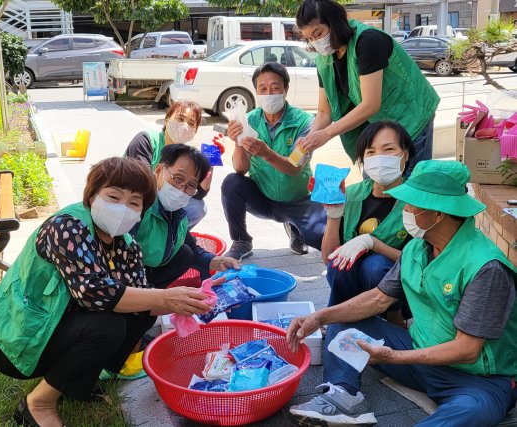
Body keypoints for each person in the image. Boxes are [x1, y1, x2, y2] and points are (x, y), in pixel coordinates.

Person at [0, 157, 218, 427]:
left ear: (141, 211)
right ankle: (38, 404)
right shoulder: (67, 227)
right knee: (107, 326)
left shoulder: (126, 245)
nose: (122, 209)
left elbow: (141, 297)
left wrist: (198, 297)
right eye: (114, 197)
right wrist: (166, 297)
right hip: (17, 338)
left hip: (56, 327)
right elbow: (94, 293)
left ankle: (77, 378)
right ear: (92, 196)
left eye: (133, 203)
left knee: (139, 313)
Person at [287, 160, 517, 427]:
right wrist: (320, 316)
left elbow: (467, 350)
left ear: (438, 214)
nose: (405, 210)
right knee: (342, 317)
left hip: (477, 380)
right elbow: (378, 298)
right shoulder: (417, 249)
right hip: (419, 354)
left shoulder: (486, 266)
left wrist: (394, 357)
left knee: (473, 410)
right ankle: (343, 396)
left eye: (411, 204)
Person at [295, 0, 439, 176]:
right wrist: (309, 140)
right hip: (380, 126)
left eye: (318, 34)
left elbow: (371, 104)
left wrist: (326, 134)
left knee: (411, 186)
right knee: (375, 185)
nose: (316, 42)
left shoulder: (368, 41)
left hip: (411, 116)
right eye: (309, 38)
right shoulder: (324, 59)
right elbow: (324, 112)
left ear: (334, 23)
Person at [221, 62, 327, 260]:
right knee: (231, 182)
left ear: (286, 90)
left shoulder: (304, 122)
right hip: (263, 198)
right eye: (263, 88)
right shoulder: (249, 120)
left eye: (275, 87)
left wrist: (266, 153)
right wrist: (238, 142)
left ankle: (296, 227)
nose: (269, 93)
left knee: (321, 238)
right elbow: (240, 169)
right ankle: (241, 240)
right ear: (256, 92)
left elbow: (295, 167)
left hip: (300, 201)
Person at [322, 121, 414, 323]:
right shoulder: (350, 194)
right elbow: (329, 257)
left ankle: (395, 322)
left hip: (397, 290)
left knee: (375, 265)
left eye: (389, 149)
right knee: (340, 264)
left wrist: (374, 244)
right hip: (351, 286)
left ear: (405, 155)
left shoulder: (415, 201)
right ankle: (340, 318)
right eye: (371, 152)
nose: (379, 158)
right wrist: (333, 216)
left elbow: (418, 262)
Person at [134, 143, 240, 288]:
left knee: (185, 253)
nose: (181, 189)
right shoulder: (138, 205)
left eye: (190, 185)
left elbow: (193, 250)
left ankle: (149, 297)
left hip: (146, 275)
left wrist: (219, 261)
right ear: (159, 171)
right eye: (178, 178)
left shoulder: (178, 215)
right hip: (120, 276)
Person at [125, 100, 210, 229]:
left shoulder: (186, 156)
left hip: (164, 203)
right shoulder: (146, 140)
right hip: (135, 201)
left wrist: (211, 164)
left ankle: (172, 235)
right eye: (180, 119)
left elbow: (198, 194)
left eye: (191, 123)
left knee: (198, 207)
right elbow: (142, 185)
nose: (184, 126)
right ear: (167, 120)